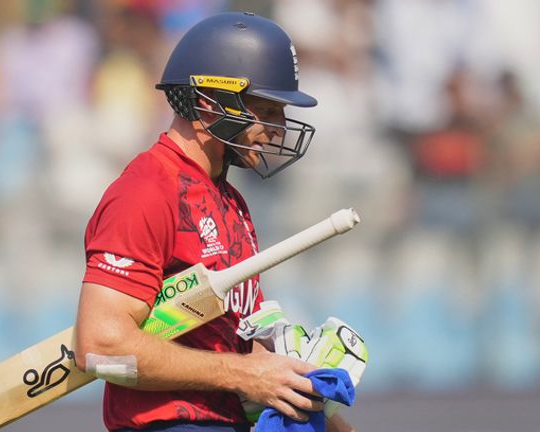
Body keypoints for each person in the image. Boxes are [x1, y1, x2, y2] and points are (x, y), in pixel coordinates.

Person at [74, 12, 354, 431]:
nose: (277, 129)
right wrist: (243, 375)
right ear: (209, 103)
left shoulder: (231, 201)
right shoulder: (146, 191)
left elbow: (244, 353)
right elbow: (99, 343)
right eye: (265, 110)